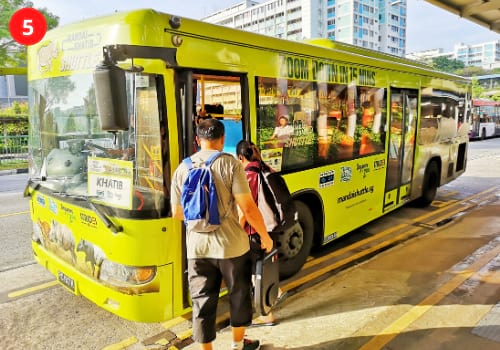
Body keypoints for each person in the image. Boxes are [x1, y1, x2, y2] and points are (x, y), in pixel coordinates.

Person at [170, 118, 274, 350]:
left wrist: (202, 219)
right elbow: (248, 207)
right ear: (223, 139)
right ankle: (238, 346)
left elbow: (177, 212)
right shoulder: (231, 165)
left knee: (202, 301)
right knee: (239, 295)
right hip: (232, 247)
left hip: (197, 248)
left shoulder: (182, 168)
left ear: (198, 140)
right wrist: (265, 237)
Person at [236, 140, 287, 327]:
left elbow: (246, 210)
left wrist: (236, 230)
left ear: (241, 157)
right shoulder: (266, 169)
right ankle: (277, 292)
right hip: (271, 227)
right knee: (262, 267)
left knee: (254, 272)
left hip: (256, 231)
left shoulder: (248, 175)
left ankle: (266, 315)